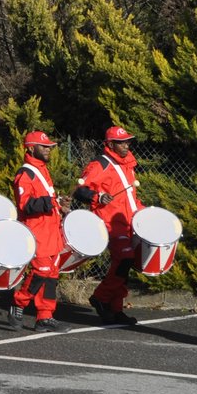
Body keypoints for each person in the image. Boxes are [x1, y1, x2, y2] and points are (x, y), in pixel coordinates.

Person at [74, 126, 145, 325]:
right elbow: (80, 191)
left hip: (130, 222)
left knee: (124, 265)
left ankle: (116, 308)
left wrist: (144, 212)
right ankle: (101, 297)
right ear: (110, 144)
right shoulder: (100, 164)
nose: (126, 145)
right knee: (125, 259)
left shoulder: (127, 165)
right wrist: (98, 196)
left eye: (127, 141)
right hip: (111, 223)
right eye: (121, 142)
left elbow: (130, 198)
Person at [10, 130, 69, 332]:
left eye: (49, 147)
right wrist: (52, 202)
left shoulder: (43, 170)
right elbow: (26, 204)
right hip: (37, 232)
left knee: (51, 274)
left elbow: (46, 202)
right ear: (31, 148)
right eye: (44, 147)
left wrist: (59, 206)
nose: (48, 150)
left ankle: (45, 316)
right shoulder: (25, 173)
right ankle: (18, 304)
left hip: (51, 230)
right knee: (41, 271)